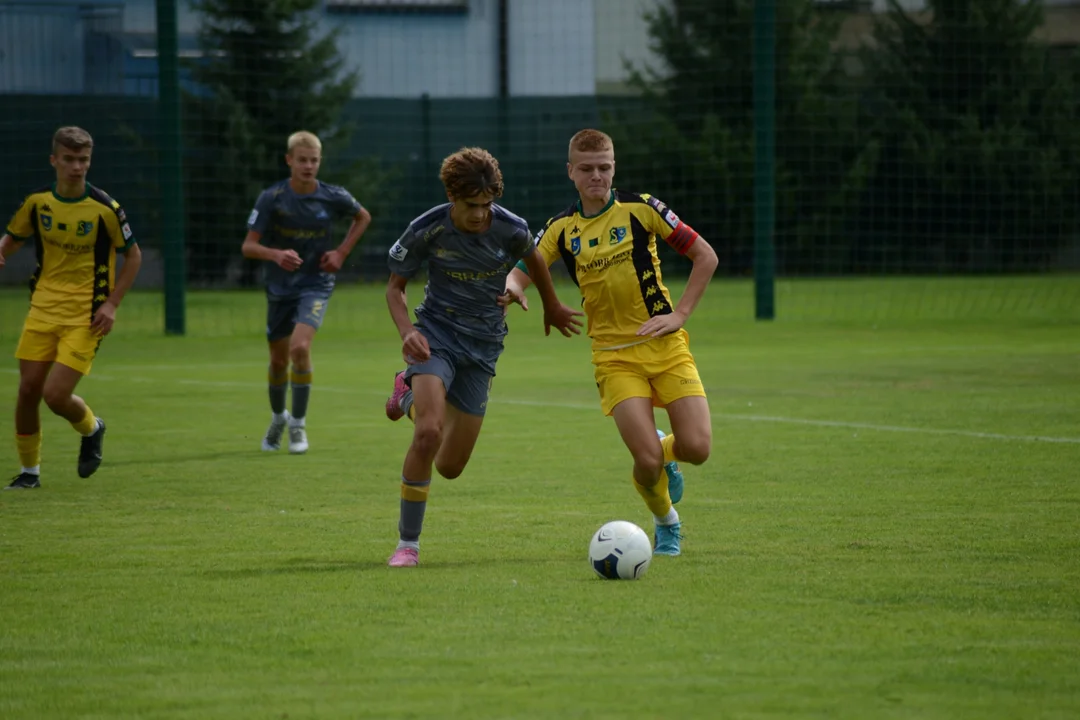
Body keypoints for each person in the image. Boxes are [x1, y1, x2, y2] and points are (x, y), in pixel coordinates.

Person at [502, 128, 718, 556]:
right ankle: (666, 522)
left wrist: (679, 315)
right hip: (614, 358)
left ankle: (665, 448)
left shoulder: (642, 209)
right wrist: (513, 288)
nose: (596, 176)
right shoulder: (562, 228)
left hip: (667, 348)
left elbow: (704, 256)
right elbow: (520, 269)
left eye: (604, 167)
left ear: (614, 167)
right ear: (571, 172)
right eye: (586, 169)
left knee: (697, 448)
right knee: (648, 461)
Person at [383, 146, 583, 567]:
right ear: (452, 196)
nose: (479, 214)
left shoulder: (510, 228)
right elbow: (395, 288)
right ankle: (408, 545)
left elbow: (536, 261)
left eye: (486, 203)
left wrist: (550, 304)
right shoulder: (427, 229)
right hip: (436, 334)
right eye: (470, 205)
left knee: (451, 466)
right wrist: (407, 332)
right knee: (428, 433)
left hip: (484, 346)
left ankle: (406, 396)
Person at [0, 126, 143, 490]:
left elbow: (134, 256)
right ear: (54, 160)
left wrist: (112, 304)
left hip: (86, 315)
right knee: (29, 391)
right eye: (69, 159)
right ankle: (30, 473)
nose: (77, 167)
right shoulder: (37, 204)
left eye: (83, 160)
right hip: (42, 309)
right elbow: (13, 239)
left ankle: (92, 427)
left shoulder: (105, 208)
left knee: (55, 396)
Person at [241, 131, 371, 455]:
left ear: (319, 162)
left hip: (316, 283)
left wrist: (341, 253)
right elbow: (249, 246)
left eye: (314, 160)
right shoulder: (272, 198)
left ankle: (298, 425)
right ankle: (277, 419)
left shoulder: (332, 195)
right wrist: (276, 254)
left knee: (300, 348)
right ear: (289, 161)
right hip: (280, 287)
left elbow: (362, 216)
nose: (308, 166)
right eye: (302, 160)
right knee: (277, 361)